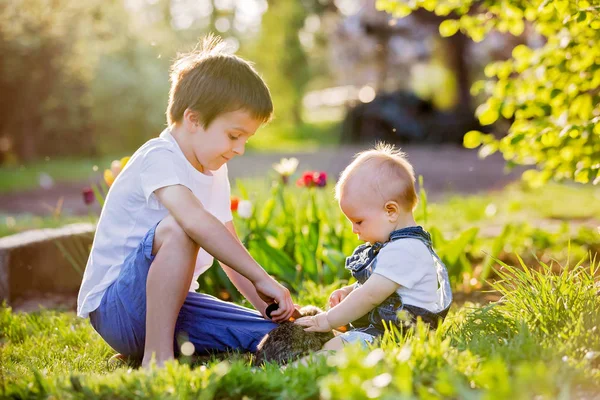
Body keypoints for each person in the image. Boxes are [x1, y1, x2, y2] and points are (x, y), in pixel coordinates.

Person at [77, 35, 295, 368]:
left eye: (246, 139)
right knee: (180, 228)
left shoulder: (213, 168)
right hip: (117, 310)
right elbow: (193, 221)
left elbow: (228, 249)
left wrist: (271, 307)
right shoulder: (158, 157)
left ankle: (150, 350)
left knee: (270, 336)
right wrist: (264, 277)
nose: (239, 149)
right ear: (193, 120)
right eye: (234, 136)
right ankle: (156, 359)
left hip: (173, 306)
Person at [294, 143, 452, 350]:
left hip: (397, 336)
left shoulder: (405, 250)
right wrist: (350, 290)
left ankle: (296, 370)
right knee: (340, 341)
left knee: (334, 349)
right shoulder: (396, 246)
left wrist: (327, 320)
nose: (354, 230)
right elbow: (378, 285)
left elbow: (370, 295)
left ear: (391, 211)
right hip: (383, 328)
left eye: (358, 221)